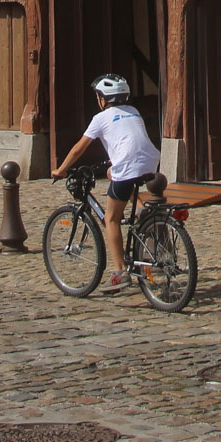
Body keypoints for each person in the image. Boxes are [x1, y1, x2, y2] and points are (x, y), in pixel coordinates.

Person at [55, 74, 161, 290]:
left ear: (103, 99)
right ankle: (140, 210)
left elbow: (78, 149)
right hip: (150, 162)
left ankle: (120, 272)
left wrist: (61, 170)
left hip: (128, 165)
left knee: (111, 218)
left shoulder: (101, 118)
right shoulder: (133, 111)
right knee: (115, 173)